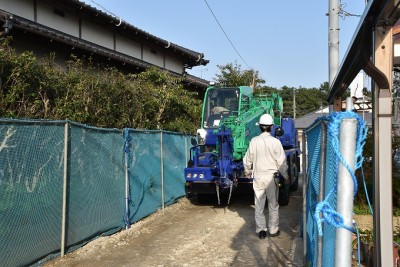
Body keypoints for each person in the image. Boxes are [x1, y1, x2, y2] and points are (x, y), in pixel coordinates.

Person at [243, 113, 289, 239]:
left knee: (259, 205)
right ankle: (273, 230)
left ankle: (261, 230)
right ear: (272, 127)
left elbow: (247, 160)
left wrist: (247, 172)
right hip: (271, 177)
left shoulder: (254, 141)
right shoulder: (275, 142)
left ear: (259, 127)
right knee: (273, 204)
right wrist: (285, 176)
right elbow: (281, 162)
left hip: (257, 177)